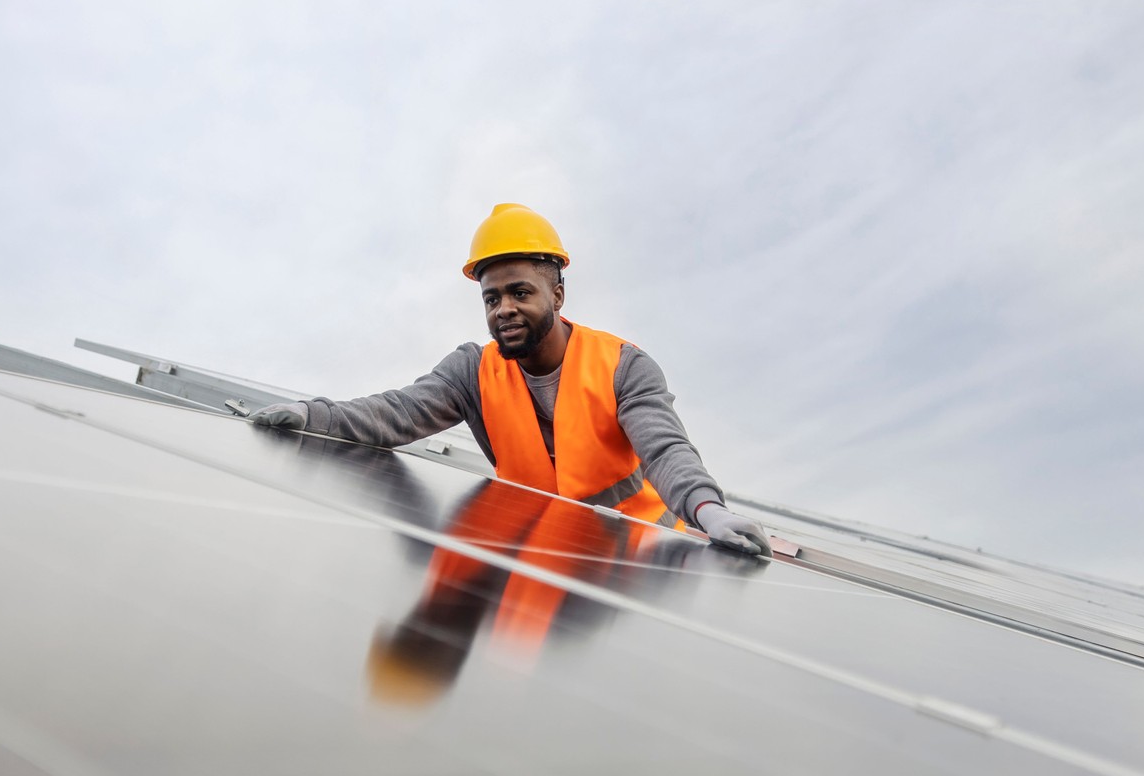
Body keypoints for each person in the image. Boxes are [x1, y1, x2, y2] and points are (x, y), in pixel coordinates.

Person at [249, 204, 772, 555]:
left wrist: (708, 512)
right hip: (545, 562)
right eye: (492, 298)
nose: (504, 308)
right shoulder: (471, 372)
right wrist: (313, 415)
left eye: (520, 292)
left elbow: (666, 450)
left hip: (642, 559)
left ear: (557, 295)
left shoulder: (623, 365)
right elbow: (396, 414)